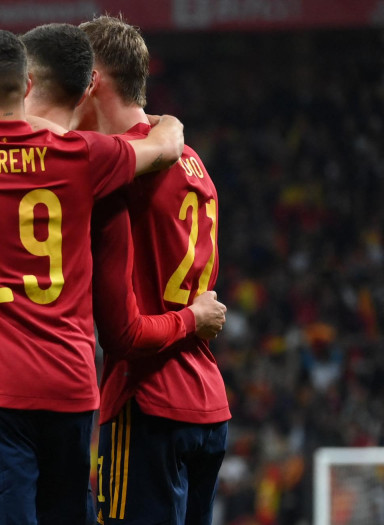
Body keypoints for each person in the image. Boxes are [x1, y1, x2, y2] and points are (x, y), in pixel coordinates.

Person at [0, 29, 184, 524]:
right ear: (26, 87)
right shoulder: (84, 154)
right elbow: (163, 150)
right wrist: (168, 121)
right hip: (71, 385)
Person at [75, 16, 230, 525]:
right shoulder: (191, 159)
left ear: (92, 79)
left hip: (148, 402)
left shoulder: (121, 173)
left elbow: (121, 335)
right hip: (207, 403)